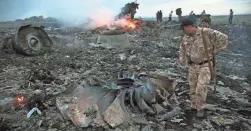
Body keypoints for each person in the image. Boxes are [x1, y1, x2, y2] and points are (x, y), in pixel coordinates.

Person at [179, 19, 228, 117]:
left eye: (184, 29)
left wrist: (214, 50)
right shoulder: (186, 37)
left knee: (201, 87)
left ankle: (200, 107)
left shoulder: (205, 32)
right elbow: (182, 47)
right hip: (192, 65)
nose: (183, 32)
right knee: (192, 87)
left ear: (189, 27)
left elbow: (224, 38)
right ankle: (194, 105)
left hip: (205, 65)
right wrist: (182, 57)